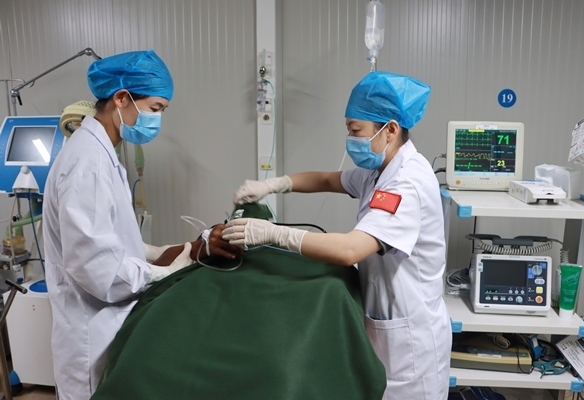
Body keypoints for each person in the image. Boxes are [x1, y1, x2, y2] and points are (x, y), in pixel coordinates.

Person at [222, 71, 451, 399]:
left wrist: (272, 233)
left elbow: (350, 250)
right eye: (348, 130)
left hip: (411, 342)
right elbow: (328, 180)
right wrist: (273, 184)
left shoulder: (406, 183)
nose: (351, 138)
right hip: (386, 322)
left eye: (356, 131)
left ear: (390, 130)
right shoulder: (378, 171)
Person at [43, 50, 241, 400]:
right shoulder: (87, 164)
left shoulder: (103, 155)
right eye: (155, 108)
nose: (157, 120)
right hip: (91, 332)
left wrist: (185, 249)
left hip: (107, 322)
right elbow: (98, 270)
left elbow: (116, 241)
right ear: (121, 98)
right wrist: (175, 265)